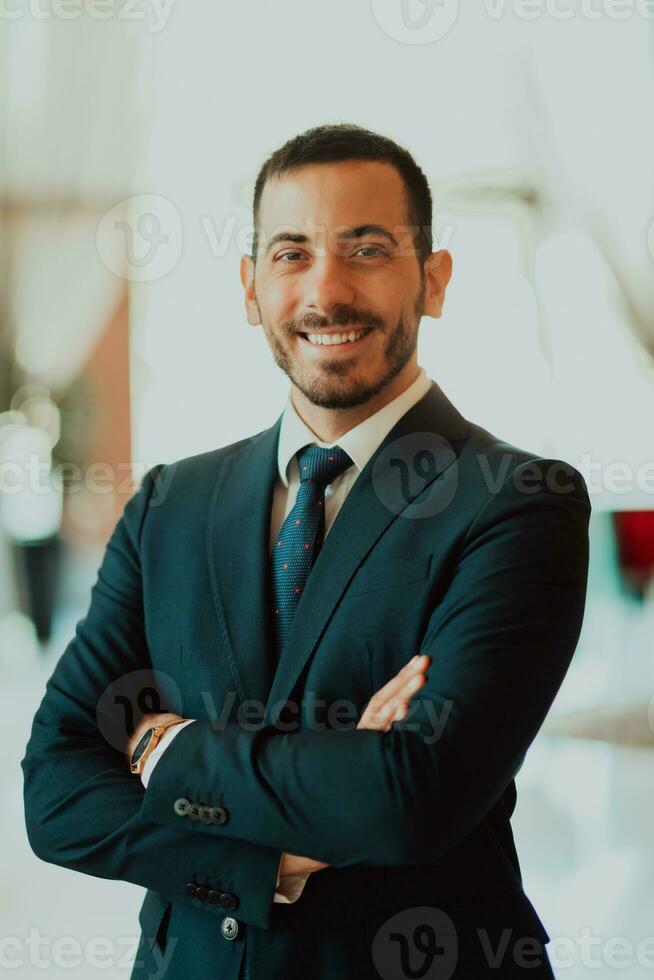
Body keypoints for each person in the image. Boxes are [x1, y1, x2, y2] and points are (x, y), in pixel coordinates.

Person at [22, 123, 591, 980]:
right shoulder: (173, 503)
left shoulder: (518, 503)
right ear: (251, 288)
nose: (327, 290)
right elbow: (55, 791)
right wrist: (263, 864)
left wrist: (163, 751)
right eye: (292, 254)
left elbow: (408, 799)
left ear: (432, 280)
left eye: (367, 249)